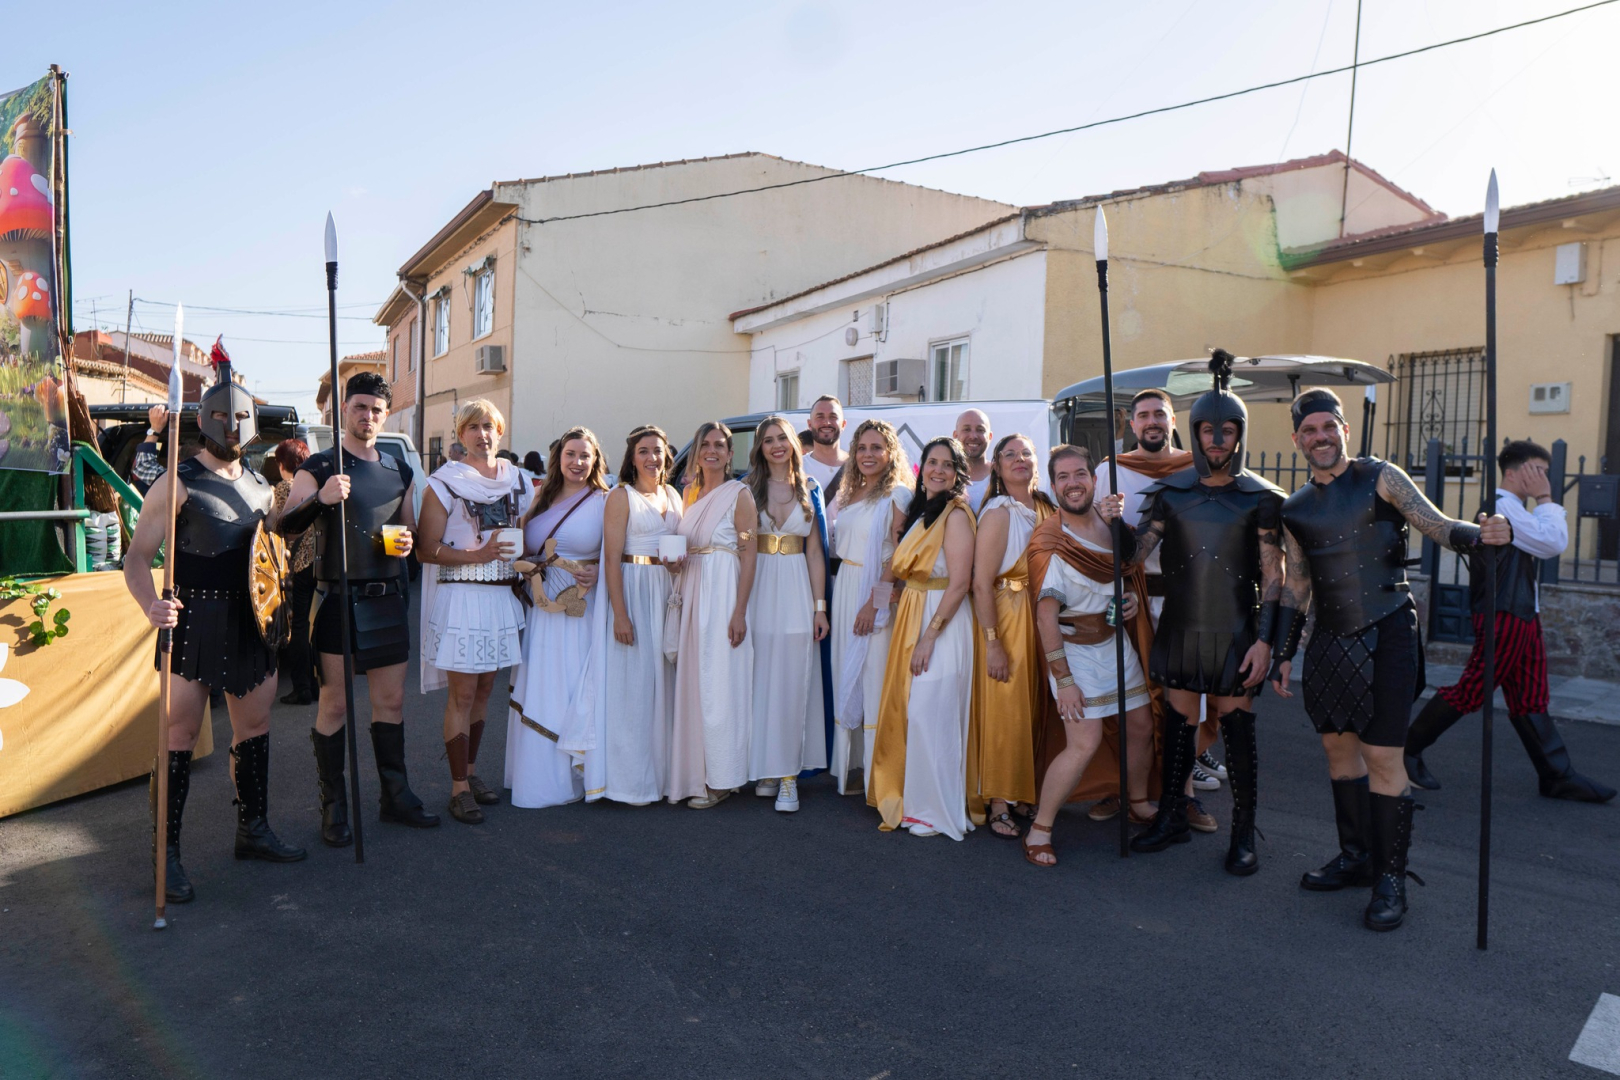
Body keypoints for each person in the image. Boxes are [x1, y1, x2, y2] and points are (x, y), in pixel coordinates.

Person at [1270, 388, 1511, 931]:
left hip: (1389, 633)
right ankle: (1356, 858)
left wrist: (1482, 535)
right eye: (1308, 431)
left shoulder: (1382, 477)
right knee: (1338, 751)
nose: (1320, 437)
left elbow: (1437, 525)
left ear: (1344, 430)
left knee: (1382, 755)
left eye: (1328, 427)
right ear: (1297, 440)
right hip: (1330, 641)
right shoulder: (1294, 508)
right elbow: (1298, 585)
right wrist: (1285, 652)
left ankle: (1390, 879)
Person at [124, 340, 304, 904]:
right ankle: (166, 855)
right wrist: (150, 606)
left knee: (255, 727)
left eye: (241, 416)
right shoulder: (175, 482)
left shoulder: (261, 487)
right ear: (204, 419)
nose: (232, 425)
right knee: (177, 736)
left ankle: (253, 830)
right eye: (223, 416)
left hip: (251, 622)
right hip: (191, 620)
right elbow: (135, 560)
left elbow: (271, 557)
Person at [1126, 352, 1285, 873]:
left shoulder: (1262, 499)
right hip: (1182, 626)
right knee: (1177, 725)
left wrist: (1266, 641)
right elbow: (1133, 555)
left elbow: (1275, 575)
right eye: (1208, 430)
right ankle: (1171, 816)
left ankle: (1244, 833)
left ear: (1240, 434)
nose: (1217, 439)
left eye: (1227, 430)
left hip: (1237, 630)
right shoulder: (1169, 494)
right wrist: (1107, 523)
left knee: (1238, 732)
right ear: (1194, 433)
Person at [1405, 440, 1614, 803]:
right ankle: (1405, 751)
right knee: (1473, 688)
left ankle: (1557, 775)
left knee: (1530, 697)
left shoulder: (1514, 508)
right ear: (1517, 472)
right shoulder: (1502, 508)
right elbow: (1553, 542)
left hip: (1522, 613)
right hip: (1503, 614)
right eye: (1539, 470)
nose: (1545, 478)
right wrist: (1545, 498)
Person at [280, 371, 439, 843]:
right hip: (337, 600)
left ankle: (396, 797)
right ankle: (334, 807)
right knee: (334, 704)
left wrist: (407, 542)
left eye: (376, 410)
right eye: (360, 407)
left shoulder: (399, 469)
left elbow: (409, 532)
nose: (367, 416)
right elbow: (285, 525)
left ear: (385, 415)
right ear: (344, 411)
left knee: (391, 702)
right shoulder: (320, 467)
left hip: (387, 599)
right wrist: (321, 499)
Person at [1092, 388, 1218, 826]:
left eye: (1159, 414)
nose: (1152, 422)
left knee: (1186, 702)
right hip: (1133, 600)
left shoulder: (1196, 468)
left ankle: (1183, 794)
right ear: (1132, 424)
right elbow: (1097, 540)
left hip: (1186, 600)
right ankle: (1122, 787)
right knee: (1131, 700)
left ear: (1172, 421)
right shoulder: (1110, 470)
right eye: (1143, 415)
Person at [1022, 446, 1149, 867]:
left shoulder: (1111, 524)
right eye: (1063, 477)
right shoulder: (1049, 540)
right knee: (1084, 742)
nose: (1073, 483)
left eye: (1080, 474)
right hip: (1073, 652)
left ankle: (1136, 800)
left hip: (1115, 644)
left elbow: (1127, 571)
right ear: (1053, 485)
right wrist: (1064, 681)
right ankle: (1040, 828)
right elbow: (1045, 618)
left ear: (1094, 480)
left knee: (1141, 725)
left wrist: (1131, 599)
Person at [416, 400, 530, 824]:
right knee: (462, 695)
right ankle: (458, 787)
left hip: (501, 598)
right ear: (461, 435)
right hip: (462, 596)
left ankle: (471, 771)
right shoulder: (443, 483)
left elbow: (529, 531)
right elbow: (426, 549)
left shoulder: (518, 479)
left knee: (484, 693)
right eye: (473, 427)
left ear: (500, 431)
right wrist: (476, 555)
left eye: (489, 426)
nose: (483, 434)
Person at [566, 425, 683, 805]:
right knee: (631, 689)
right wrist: (619, 614)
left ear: (667, 456)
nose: (652, 457)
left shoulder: (674, 495)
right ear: (632, 457)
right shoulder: (621, 496)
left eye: (658, 450)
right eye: (644, 451)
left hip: (664, 594)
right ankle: (625, 782)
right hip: (631, 592)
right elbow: (611, 559)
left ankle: (661, 776)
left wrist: (676, 567)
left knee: (662, 687)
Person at [868, 437, 977, 839]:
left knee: (932, 711)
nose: (938, 470)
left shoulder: (956, 514)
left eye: (948, 465)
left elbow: (960, 582)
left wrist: (930, 636)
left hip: (942, 621)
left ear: (958, 473)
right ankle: (916, 803)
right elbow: (911, 572)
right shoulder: (921, 513)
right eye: (933, 462)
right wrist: (887, 601)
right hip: (913, 612)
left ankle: (937, 810)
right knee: (913, 711)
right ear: (922, 468)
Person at [505, 427, 610, 810]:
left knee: (569, 686)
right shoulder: (540, 497)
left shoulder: (605, 500)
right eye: (570, 454)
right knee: (541, 685)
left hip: (579, 607)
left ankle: (575, 775)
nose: (577, 462)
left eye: (585, 455)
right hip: (541, 607)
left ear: (595, 461)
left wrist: (599, 570)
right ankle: (538, 779)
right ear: (558, 458)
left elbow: (620, 553)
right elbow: (522, 544)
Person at [967, 434, 1055, 837]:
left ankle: (1022, 790)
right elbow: (981, 583)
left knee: (1033, 704)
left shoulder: (1046, 507)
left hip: (1041, 615)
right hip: (1006, 615)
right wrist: (993, 642)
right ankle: (999, 799)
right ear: (998, 467)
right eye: (1010, 455)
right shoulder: (999, 511)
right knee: (1004, 704)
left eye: (1026, 453)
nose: (1020, 459)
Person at [667, 422, 758, 808]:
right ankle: (696, 773)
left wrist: (740, 611)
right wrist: (673, 566)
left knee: (720, 683)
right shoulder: (689, 493)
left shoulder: (740, 495)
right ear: (696, 452)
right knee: (694, 682)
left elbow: (749, 553)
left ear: (730, 454)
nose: (712, 451)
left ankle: (723, 778)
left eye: (720, 445)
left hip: (723, 592)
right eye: (705, 444)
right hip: (692, 588)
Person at [743, 415, 830, 812]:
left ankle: (789, 775)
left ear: (794, 443)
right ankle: (765, 767)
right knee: (759, 678)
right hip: (759, 587)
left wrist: (819, 608)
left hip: (797, 588)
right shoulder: (747, 488)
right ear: (760, 448)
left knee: (794, 680)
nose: (776, 445)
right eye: (768, 440)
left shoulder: (810, 488)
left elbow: (815, 552)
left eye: (782, 438)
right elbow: (740, 547)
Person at [828, 419, 912, 794]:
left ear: (890, 453)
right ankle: (852, 766)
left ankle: (880, 777)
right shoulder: (851, 492)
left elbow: (897, 556)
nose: (868, 454)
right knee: (846, 672)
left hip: (874, 593)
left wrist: (872, 605)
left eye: (876, 447)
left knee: (875, 677)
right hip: (846, 587)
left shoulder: (898, 495)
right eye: (861, 447)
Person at [271, 438, 318, 706]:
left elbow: (277, 526)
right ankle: (315, 683)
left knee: (298, 626)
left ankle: (302, 688)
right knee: (313, 626)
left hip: (298, 565)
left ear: (282, 464)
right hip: (318, 565)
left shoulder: (283, 488)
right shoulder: (315, 486)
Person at [802, 395, 848, 513]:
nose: (826, 422)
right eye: (820, 417)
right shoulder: (796, 468)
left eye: (833, 417)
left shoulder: (858, 467)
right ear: (809, 424)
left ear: (843, 424)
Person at [953, 409, 994, 514]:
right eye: (966, 429)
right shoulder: (945, 476)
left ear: (990, 436)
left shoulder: (1001, 476)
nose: (973, 436)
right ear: (955, 435)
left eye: (980, 430)